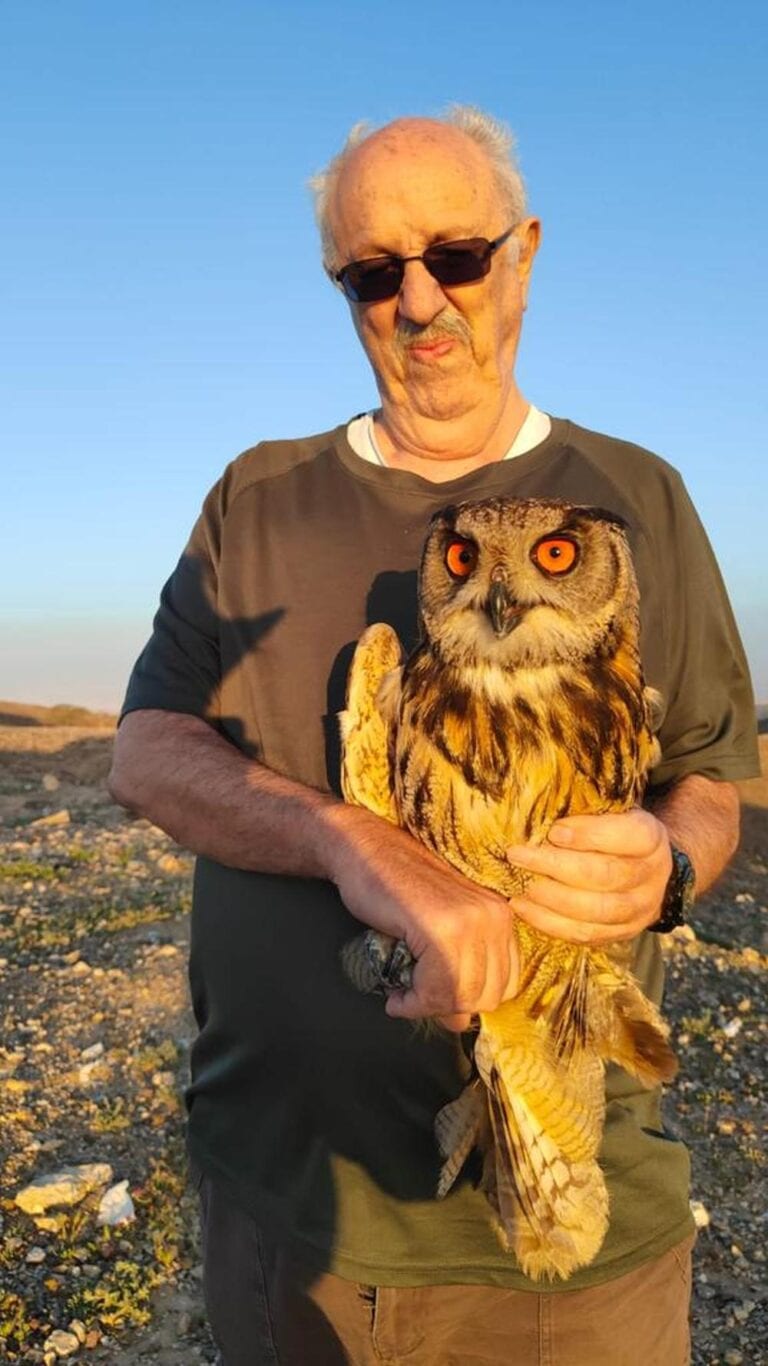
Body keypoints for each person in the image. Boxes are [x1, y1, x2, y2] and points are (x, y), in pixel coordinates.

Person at [109, 108, 759, 1366]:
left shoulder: (645, 496)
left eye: (455, 255)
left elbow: (713, 772)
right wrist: (348, 839)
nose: (420, 299)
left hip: (574, 1206)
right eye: (374, 271)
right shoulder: (259, 496)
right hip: (294, 1200)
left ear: (522, 254)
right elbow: (143, 751)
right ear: (343, 289)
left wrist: (667, 861)